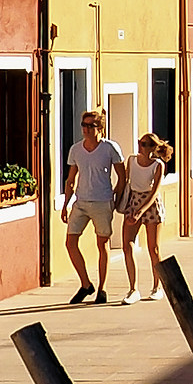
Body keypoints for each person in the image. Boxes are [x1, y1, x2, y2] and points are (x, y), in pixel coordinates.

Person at [61, 110, 125, 305]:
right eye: (84, 125)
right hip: (80, 202)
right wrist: (66, 204)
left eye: (91, 126)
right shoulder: (76, 150)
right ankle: (85, 284)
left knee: (102, 244)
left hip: (102, 201)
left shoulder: (109, 148)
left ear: (100, 128)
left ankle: (102, 288)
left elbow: (122, 176)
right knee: (71, 243)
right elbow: (71, 179)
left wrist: (116, 198)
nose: (86, 130)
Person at [117, 134, 171, 304]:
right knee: (127, 245)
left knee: (153, 248)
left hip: (150, 204)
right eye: (140, 143)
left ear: (153, 148)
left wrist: (141, 211)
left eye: (145, 144)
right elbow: (124, 182)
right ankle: (133, 289)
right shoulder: (132, 161)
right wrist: (116, 199)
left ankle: (157, 286)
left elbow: (154, 191)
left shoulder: (158, 165)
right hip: (134, 201)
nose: (141, 146)